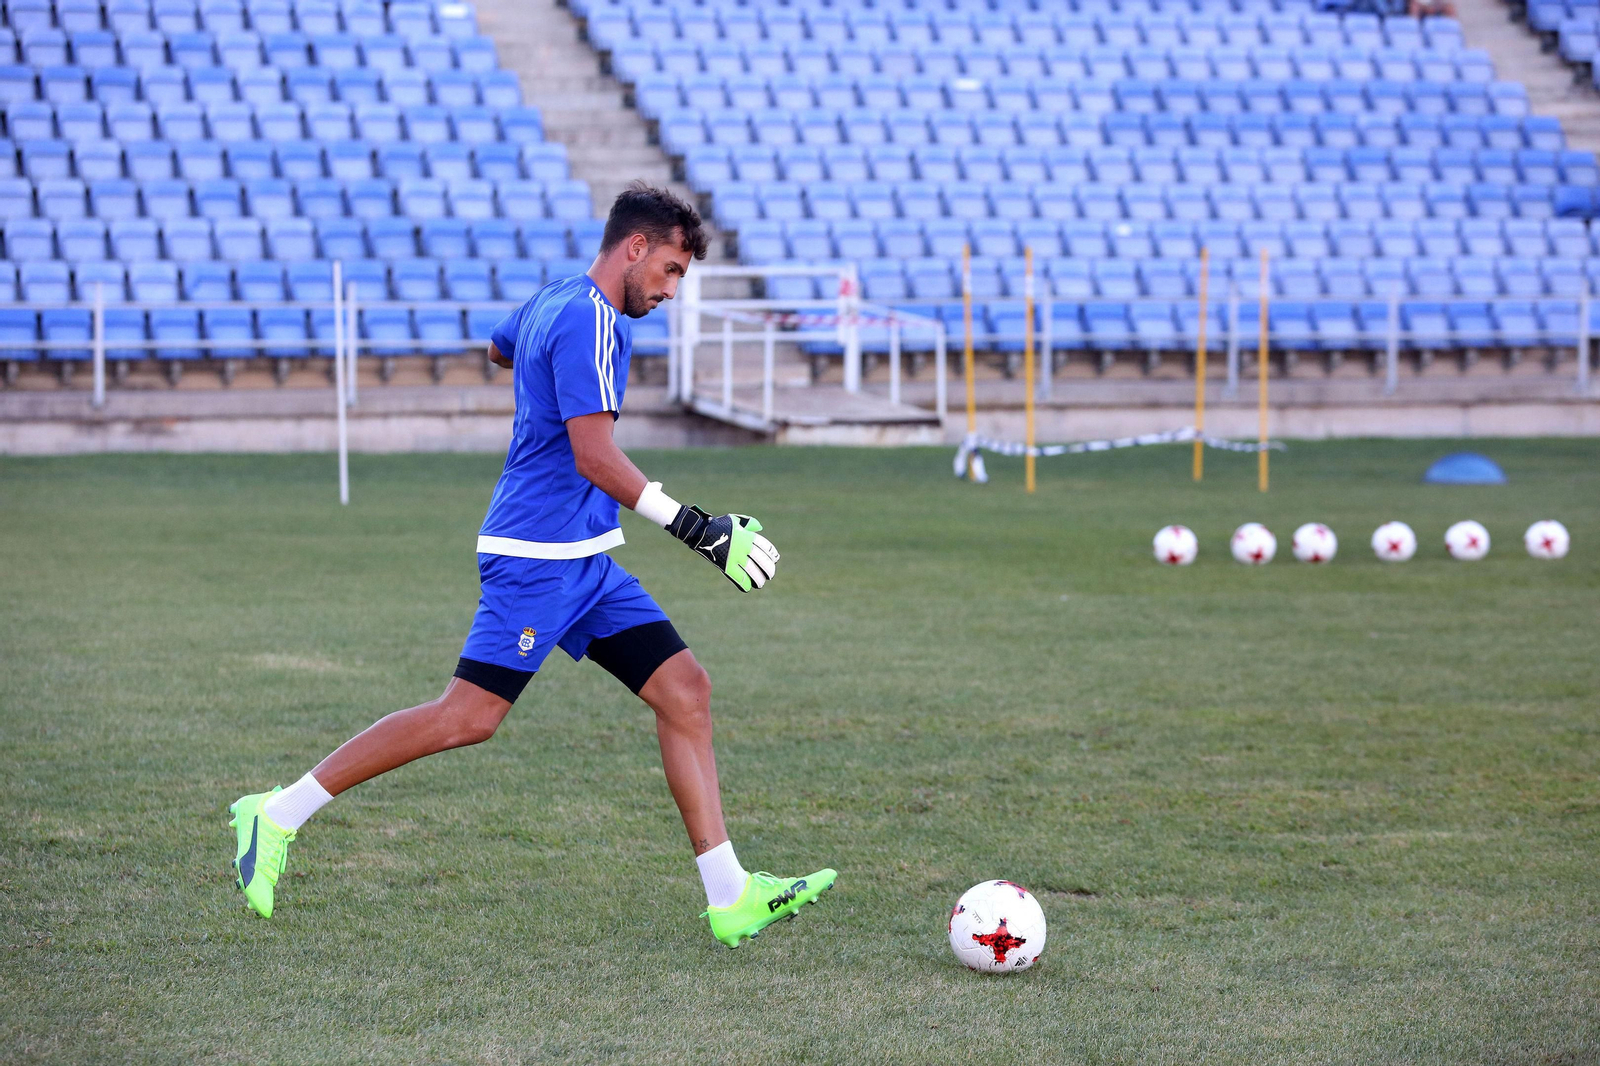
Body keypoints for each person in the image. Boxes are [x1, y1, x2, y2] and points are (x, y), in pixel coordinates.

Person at [228, 182, 836, 948]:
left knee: (686, 692)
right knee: (467, 717)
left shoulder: (558, 299)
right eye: (673, 270)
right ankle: (275, 813)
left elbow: (498, 344)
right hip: (537, 557)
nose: (673, 290)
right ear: (636, 246)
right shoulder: (593, 322)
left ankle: (731, 895)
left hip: (586, 558)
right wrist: (697, 528)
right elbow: (593, 454)